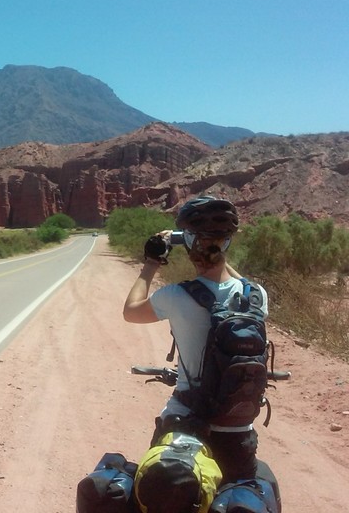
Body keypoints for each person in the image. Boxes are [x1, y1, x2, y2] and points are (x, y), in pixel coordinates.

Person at [122, 196, 272, 501]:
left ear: (188, 242)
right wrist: (219, 252)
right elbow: (242, 286)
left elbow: (130, 310)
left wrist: (152, 262)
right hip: (237, 429)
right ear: (228, 242)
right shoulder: (257, 296)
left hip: (185, 425)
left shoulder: (176, 297)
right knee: (240, 497)